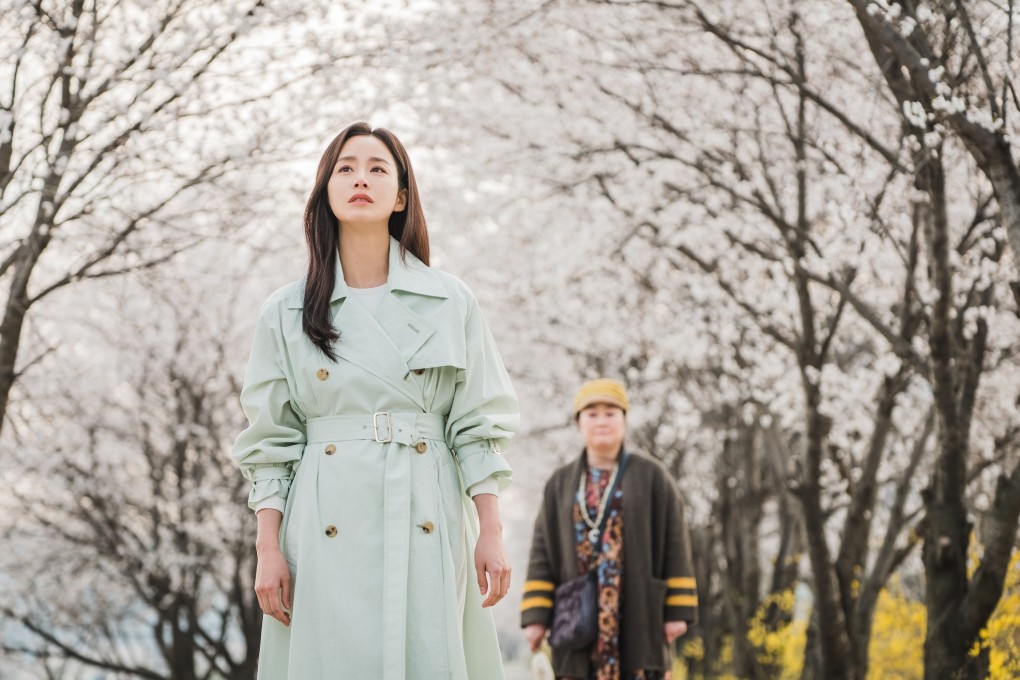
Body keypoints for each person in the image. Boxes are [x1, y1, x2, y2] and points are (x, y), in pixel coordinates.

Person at [231, 122, 518, 680]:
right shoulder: (287, 311)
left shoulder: (449, 300)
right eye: (346, 168)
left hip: (426, 506)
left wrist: (491, 531)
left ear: (401, 196)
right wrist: (268, 549)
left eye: (377, 168)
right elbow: (270, 443)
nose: (360, 178)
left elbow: (477, 425)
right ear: (326, 191)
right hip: (324, 520)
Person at [521, 379, 697, 680]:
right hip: (577, 620)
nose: (601, 421)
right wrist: (536, 616)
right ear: (578, 422)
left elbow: (676, 542)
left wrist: (677, 612)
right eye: (592, 414)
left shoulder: (654, 476)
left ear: (624, 420)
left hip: (639, 615)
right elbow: (542, 550)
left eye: (610, 413)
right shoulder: (559, 483)